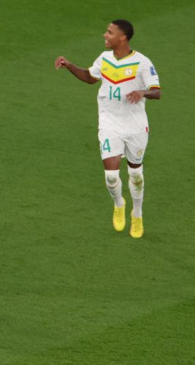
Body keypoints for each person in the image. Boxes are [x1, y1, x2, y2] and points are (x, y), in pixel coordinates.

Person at [54, 19, 161, 238]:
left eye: (110, 32)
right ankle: (119, 203)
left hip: (135, 127)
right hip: (109, 124)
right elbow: (89, 77)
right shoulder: (104, 59)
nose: (105, 35)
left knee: (135, 173)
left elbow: (156, 91)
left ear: (122, 37)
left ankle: (137, 213)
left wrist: (142, 93)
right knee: (111, 177)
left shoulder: (142, 62)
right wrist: (69, 65)